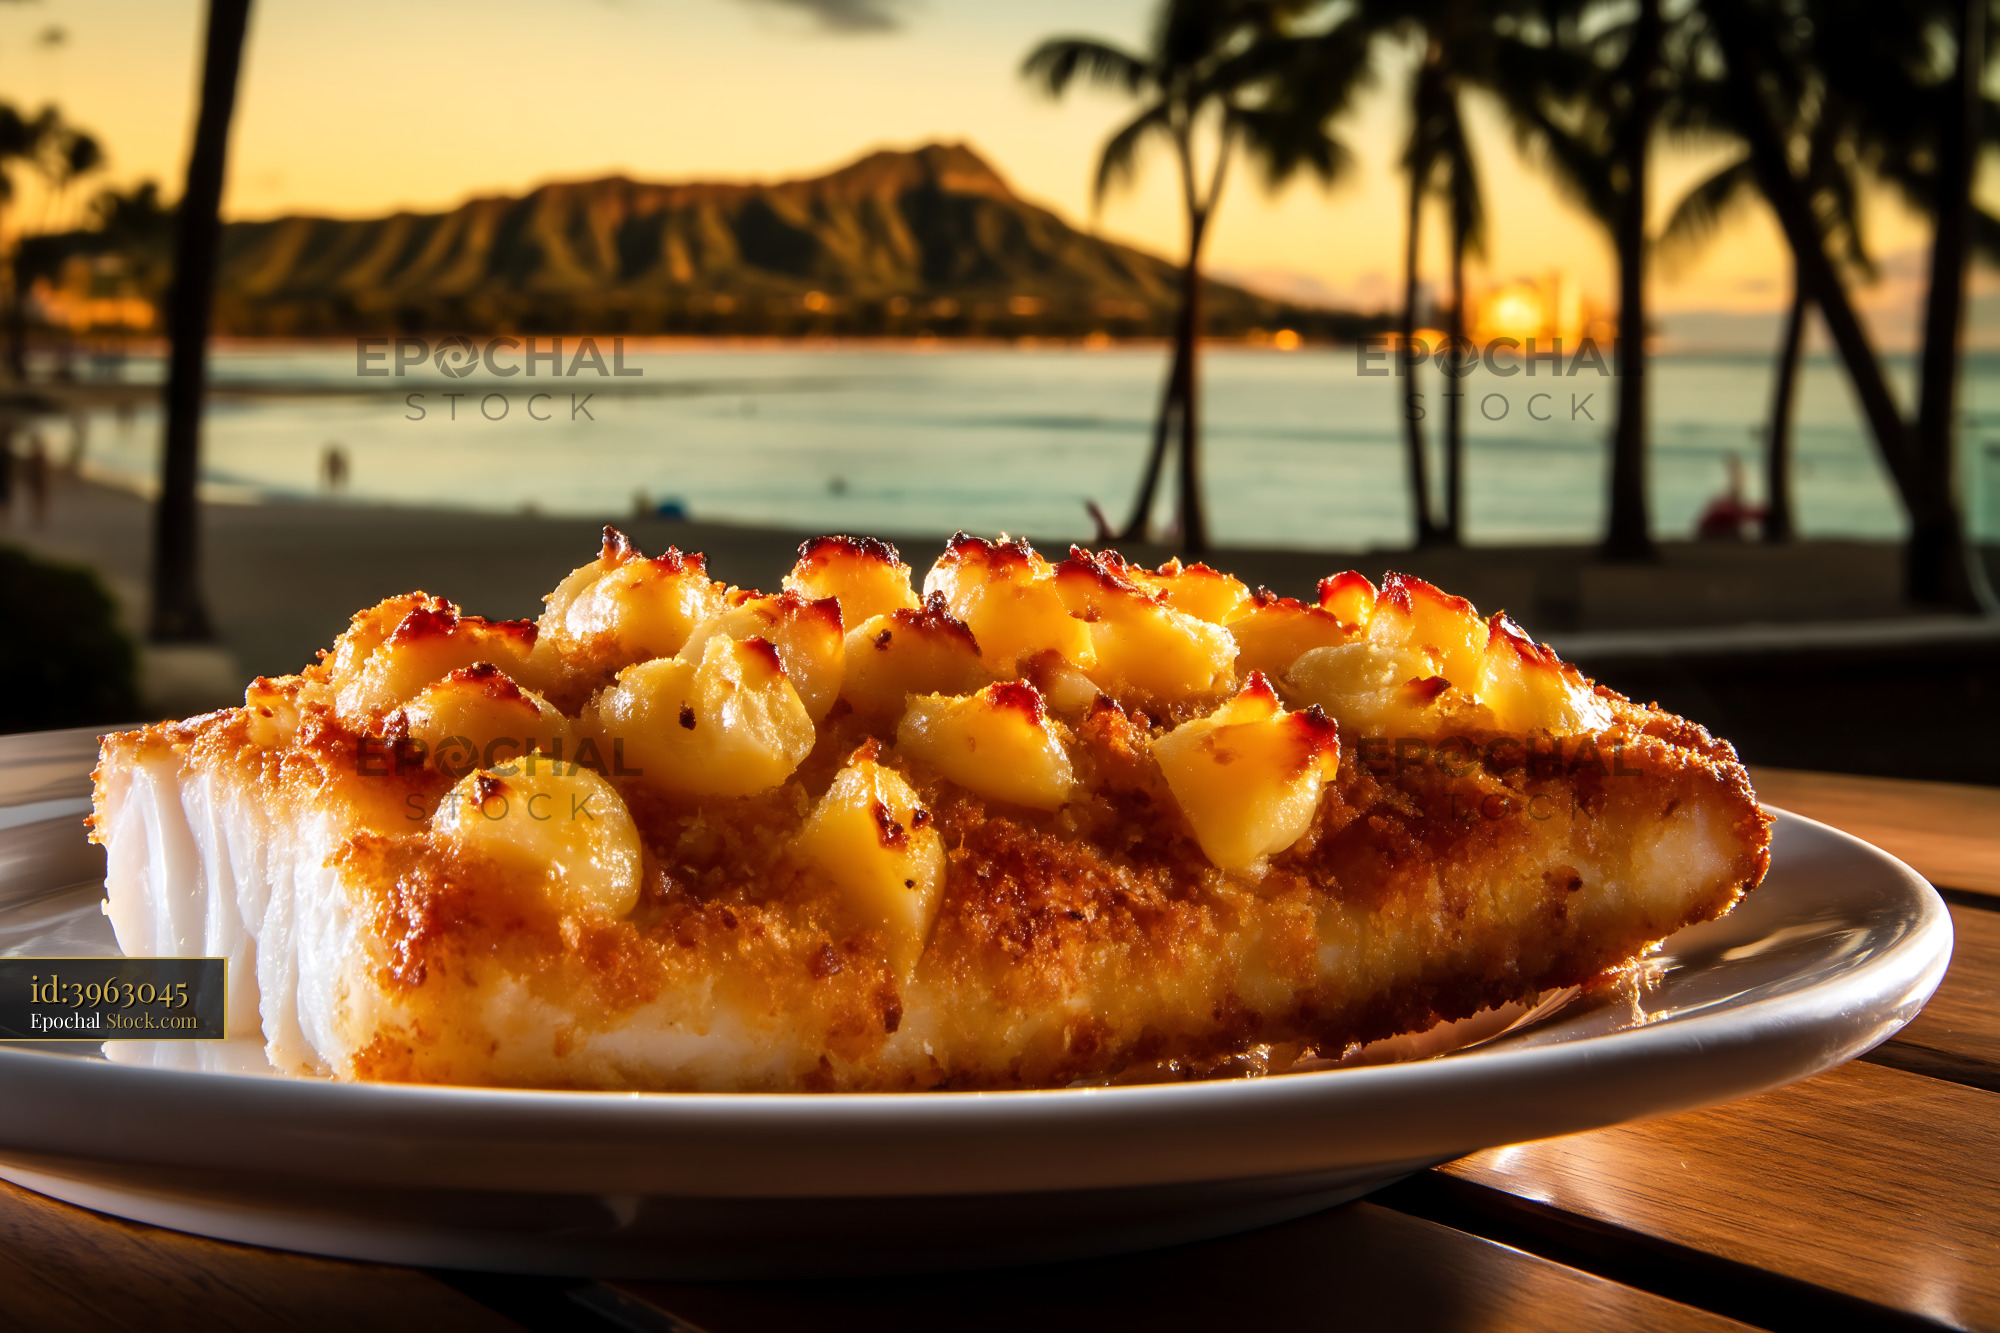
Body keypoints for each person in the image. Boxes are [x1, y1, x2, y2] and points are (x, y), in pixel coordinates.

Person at [1696, 455, 1764, 542]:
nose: (1742, 479)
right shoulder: (1721, 508)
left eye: (1741, 474)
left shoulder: (1748, 509)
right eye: (1737, 474)